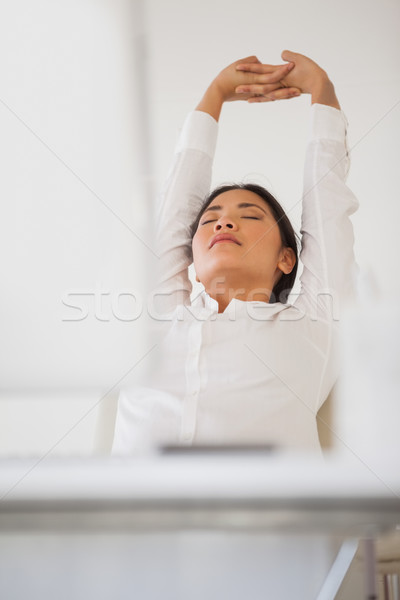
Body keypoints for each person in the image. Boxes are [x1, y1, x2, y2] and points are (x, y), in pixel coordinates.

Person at [112, 50, 358, 455]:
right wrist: (216, 94)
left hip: (266, 515)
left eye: (250, 216)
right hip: (134, 515)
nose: (224, 224)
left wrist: (322, 91)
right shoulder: (157, 319)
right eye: (210, 219)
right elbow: (174, 214)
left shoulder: (313, 327)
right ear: (189, 254)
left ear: (286, 257)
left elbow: (328, 211)